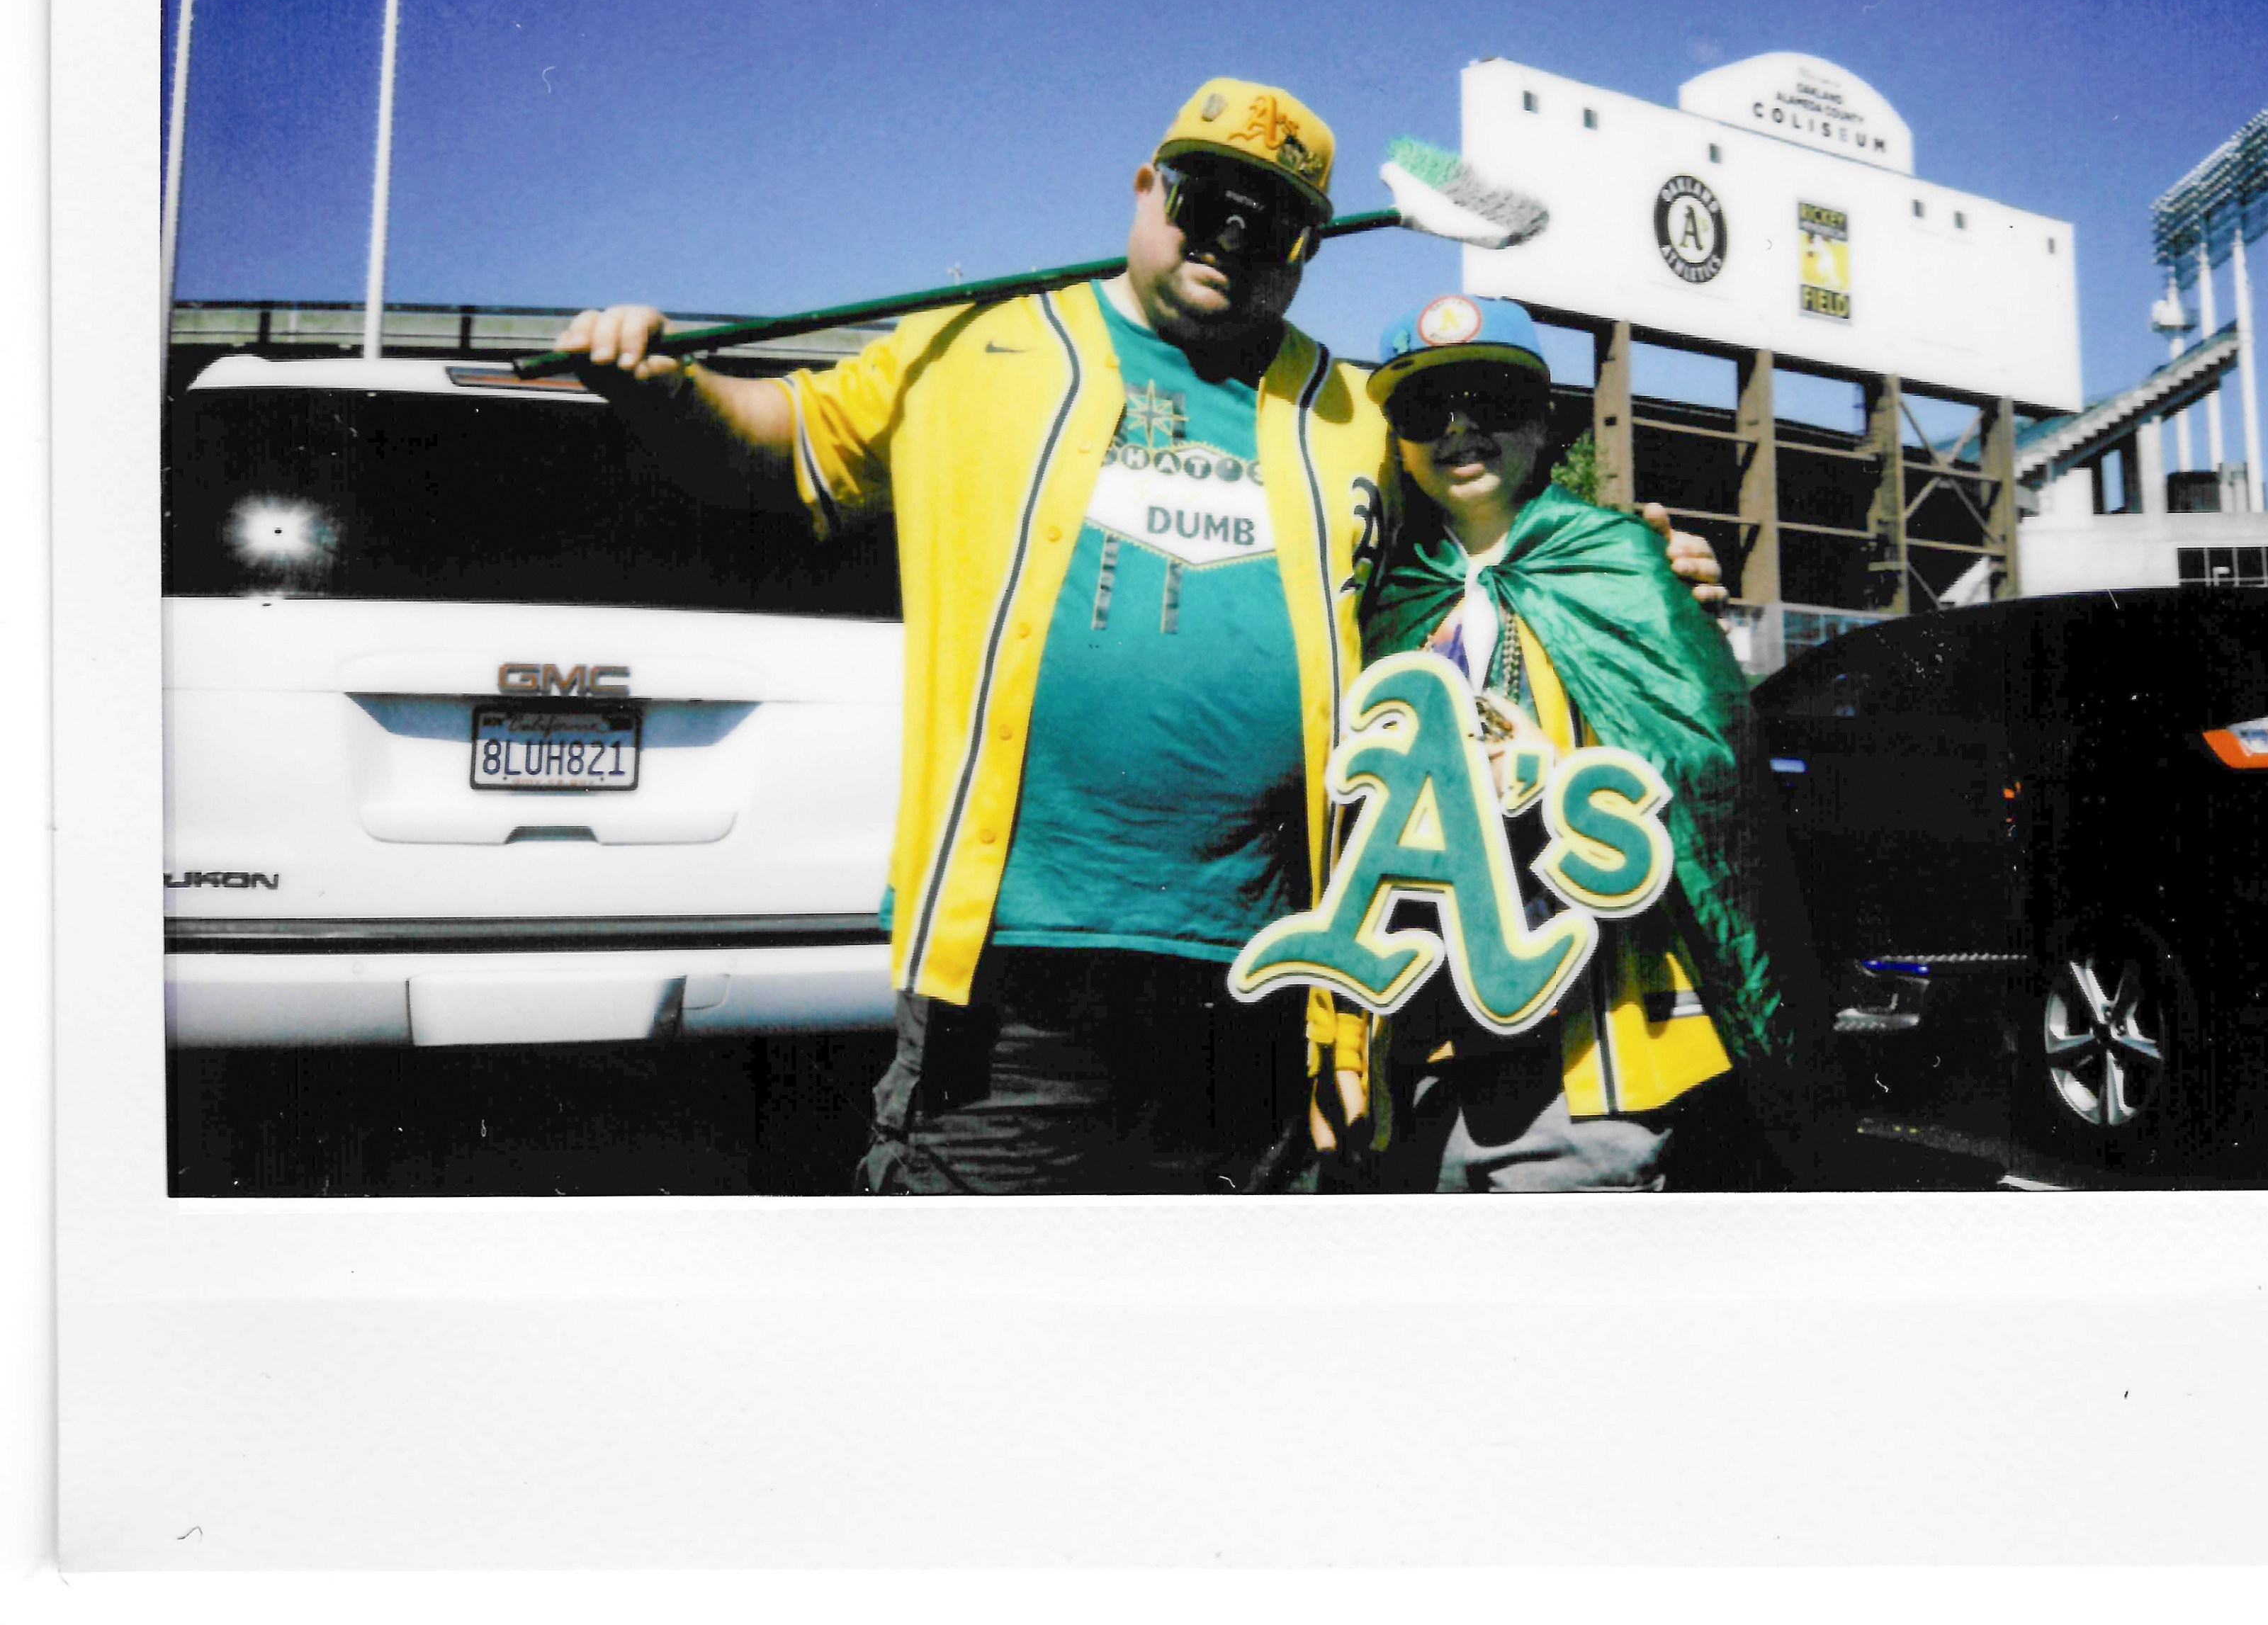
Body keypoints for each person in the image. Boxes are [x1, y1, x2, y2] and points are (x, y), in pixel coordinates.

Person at [555, 79, 1725, 1195]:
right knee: (970, 1310)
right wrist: (665, 389)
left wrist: (1635, 574)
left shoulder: (1355, 410)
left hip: (1268, 973)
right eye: (1202, 199)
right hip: (1016, 973)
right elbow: (789, 444)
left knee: (1205, 1332)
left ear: (1309, 247)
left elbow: (1488, 547)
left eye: (1270, 222)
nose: (1226, 236)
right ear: (1142, 189)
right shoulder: (975, 346)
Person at [1314, 293, 1834, 1192]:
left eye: (1492, 399)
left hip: (1594, 1055)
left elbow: (1713, 782)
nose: (1460, 429)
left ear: (1543, 418)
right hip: (1428, 1050)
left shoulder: (1623, 563)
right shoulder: (1384, 602)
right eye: (1424, 409)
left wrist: (1553, 784)